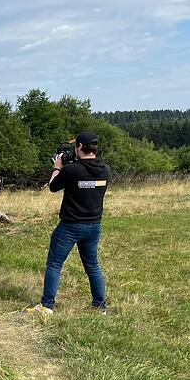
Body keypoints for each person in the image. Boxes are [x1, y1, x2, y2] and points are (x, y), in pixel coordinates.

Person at [27, 132, 111, 318]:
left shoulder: (72, 170)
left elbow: (52, 186)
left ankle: (47, 305)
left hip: (70, 225)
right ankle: (100, 305)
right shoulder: (105, 170)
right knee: (92, 265)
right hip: (93, 225)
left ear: (80, 147)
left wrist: (57, 168)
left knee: (55, 264)